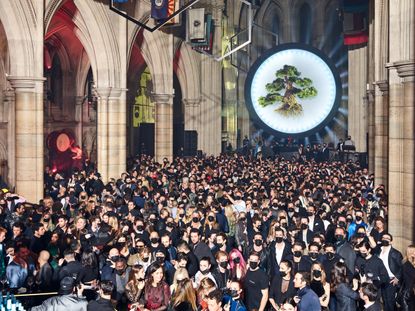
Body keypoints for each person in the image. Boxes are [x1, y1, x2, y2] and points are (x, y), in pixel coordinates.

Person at [376, 233, 403, 311]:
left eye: (387, 238)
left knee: (390, 301)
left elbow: (401, 267)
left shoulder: (396, 253)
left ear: (391, 242)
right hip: (381, 279)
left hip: (391, 280)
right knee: (384, 300)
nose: (384, 239)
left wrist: (397, 277)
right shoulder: (379, 251)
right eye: (383, 238)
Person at [400, 244, 415, 311]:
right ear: (411, 253)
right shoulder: (406, 264)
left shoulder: (412, 264)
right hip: (407, 295)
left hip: (411, 293)